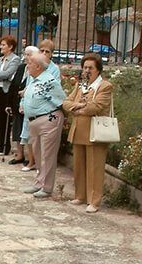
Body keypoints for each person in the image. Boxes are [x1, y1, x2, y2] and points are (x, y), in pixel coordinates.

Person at [62, 54, 113, 213]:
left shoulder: (104, 86)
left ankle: (94, 200)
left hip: (94, 132)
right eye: (85, 67)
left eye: (90, 68)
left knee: (94, 167)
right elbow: (66, 103)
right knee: (79, 166)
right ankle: (80, 195)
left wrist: (77, 108)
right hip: (78, 130)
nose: (87, 70)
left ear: (98, 70)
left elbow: (96, 106)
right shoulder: (80, 85)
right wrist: (78, 105)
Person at [19, 52, 66, 198]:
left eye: (30, 63)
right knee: (38, 153)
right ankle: (39, 182)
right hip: (35, 121)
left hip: (48, 120)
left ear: (38, 66)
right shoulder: (34, 80)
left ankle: (46, 187)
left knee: (47, 155)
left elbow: (61, 100)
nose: (27, 66)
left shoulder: (49, 80)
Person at [0, 35, 20, 156]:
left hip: (6, 91)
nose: (0, 47)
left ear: (10, 47)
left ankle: (5, 147)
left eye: (3, 45)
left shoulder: (15, 59)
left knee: (5, 119)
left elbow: (9, 74)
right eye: (0, 44)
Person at [8, 46, 39, 166]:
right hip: (18, 101)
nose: (26, 57)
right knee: (17, 129)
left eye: (28, 54)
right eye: (25, 54)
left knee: (28, 131)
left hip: (29, 103)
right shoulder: (21, 67)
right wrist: (9, 103)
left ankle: (31, 157)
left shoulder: (36, 69)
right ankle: (19, 154)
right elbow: (14, 84)